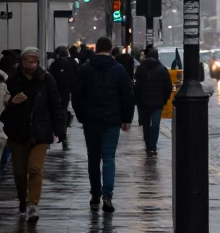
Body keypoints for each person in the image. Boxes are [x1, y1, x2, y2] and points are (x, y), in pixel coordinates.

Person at [71, 35, 134, 213]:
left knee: (93, 158)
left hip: (91, 120)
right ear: (110, 48)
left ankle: (95, 195)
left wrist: (82, 116)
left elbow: (76, 95)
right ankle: (107, 195)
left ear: (96, 49)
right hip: (112, 120)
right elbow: (126, 95)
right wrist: (126, 119)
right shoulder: (119, 70)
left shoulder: (85, 69)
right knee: (108, 158)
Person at [1, 48, 64, 222]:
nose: (30, 65)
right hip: (17, 132)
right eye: (27, 62)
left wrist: (59, 129)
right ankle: (22, 199)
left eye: (33, 62)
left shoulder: (46, 79)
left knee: (35, 169)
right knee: (20, 172)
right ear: (21, 62)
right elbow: (2, 110)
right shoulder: (13, 80)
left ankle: (32, 205)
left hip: (40, 132)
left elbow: (55, 104)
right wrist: (12, 103)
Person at [133, 47, 172, 156]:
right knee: (155, 124)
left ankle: (148, 145)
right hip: (158, 102)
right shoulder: (162, 69)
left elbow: (136, 86)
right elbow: (168, 86)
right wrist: (164, 99)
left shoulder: (140, 68)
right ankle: (153, 145)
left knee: (146, 124)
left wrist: (138, 99)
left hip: (144, 102)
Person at [48, 46, 77, 150]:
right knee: (63, 111)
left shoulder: (54, 65)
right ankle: (63, 133)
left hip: (55, 92)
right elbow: (76, 78)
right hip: (65, 93)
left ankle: (57, 134)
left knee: (54, 112)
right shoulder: (73, 63)